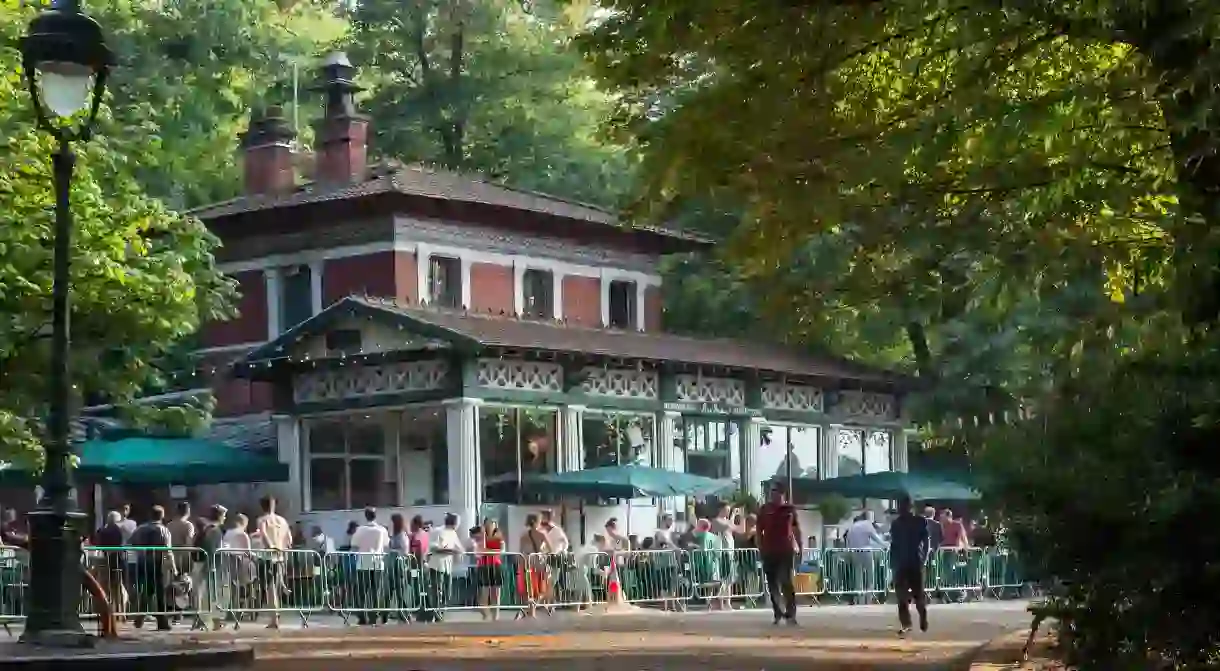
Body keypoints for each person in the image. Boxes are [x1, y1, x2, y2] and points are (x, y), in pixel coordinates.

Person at [127, 505, 178, 631]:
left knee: (148, 591)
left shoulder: (140, 529)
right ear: (162, 516)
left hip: (143, 563)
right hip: (158, 563)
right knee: (160, 592)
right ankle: (162, 621)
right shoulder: (163, 530)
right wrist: (173, 567)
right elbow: (168, 550)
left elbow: (131, 543)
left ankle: (140, 617)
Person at [757, 483, 800, 625]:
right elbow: (759, 530)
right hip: (769, 550)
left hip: (786, 550)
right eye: (772, 492)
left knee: (786, 581)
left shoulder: (790, 509)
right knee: (772, 584)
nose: (773, 495)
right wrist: (761, 547)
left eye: (777, 492)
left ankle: (791, 614)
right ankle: (777, 613)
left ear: (783, 494)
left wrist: (800, 546)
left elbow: (796, 529)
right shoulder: (765, 509)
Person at [889, 496, 930, 635]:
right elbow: (893, 545)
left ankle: (915, 619)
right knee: (907, 595)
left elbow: (926, 541)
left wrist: (924, 557)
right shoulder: (900, 523)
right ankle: (910, 621)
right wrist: (924, 556)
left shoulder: (917, 522)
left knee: (911, 595)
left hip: (909, 562)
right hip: (908, 562)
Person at [256, 495, 292, 629]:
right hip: (280, 556)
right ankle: (276, 614)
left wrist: (271, 547)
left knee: (270, 588)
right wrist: (282, 549)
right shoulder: (282, 520)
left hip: (268, 556)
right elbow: (289, 539)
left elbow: (264, 535)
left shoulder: (262, 520)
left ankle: (274, 618)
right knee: (275, 587)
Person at [350, 507, 390, 625]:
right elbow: (387, 545)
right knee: (375, 591)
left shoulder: (360, 530)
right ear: (376, 516)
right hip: (377, 562)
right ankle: (374, 615)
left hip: (363, 562)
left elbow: (354, 545)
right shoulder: (382, 530)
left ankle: (362, 616)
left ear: (365, 516)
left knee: (362, 591)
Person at [193, 505, 227, 631]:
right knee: (213, 594)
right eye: (224, 515)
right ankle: (214, 621)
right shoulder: (215, 530)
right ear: (220, 516)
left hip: (200, 562)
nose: (225, 518)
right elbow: (213, 549)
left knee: (201, 593)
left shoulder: (206, 528)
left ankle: (200, 620)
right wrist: (211, 566)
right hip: (210, 564)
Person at [426, 513, 462, 621]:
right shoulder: (438, 531)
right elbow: (433, 547)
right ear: (454, 522)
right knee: (437, 591)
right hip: (437, 566)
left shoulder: (453, 533)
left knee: (447, 592)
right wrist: (451, 551)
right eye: (458, 522)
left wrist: (461, 552)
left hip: (448, 566)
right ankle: (436, 614)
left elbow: (459, 547)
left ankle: (440, 611)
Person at [166, 502, 195, 624]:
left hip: (171, 557)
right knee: (183, 586)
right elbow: (189, 542)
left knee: (172, 585)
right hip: (183, 557)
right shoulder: (188, 525)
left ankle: (171, 610)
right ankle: (179, 612)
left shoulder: (169, 525)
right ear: (188, 512)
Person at [517, 514, 550, 618]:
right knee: (541, 590)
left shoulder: (523, 536)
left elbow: (521, 552)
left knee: (529, 591)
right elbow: (551, 549)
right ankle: (530, 611)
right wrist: (542, 553)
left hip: (526, 565)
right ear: (537, 522)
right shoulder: (542, 534)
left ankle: (530, 611)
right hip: (538, 565)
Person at [476, 519, 504, 620]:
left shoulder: (498, 536)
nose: (490, 526)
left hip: (495, 564)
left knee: (496, 593)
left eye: (492, 524)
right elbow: (481, 550)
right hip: (484, 565)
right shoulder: (481, 537)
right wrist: (484, 536)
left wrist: (489, 551)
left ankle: (495, 616)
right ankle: (485, 614)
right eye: (488, 524)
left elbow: (501, 550)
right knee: (484, 594)